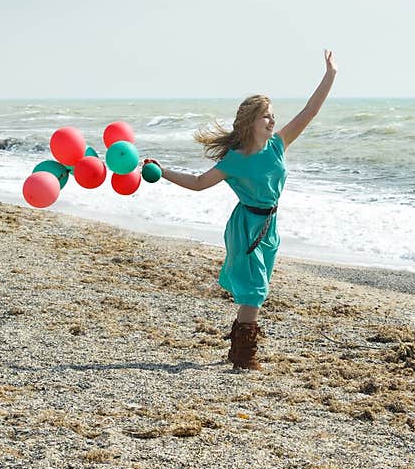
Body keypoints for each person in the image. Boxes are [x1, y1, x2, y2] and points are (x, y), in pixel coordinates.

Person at [143, 50, 338, 370]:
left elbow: (310, 110)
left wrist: (330, 74)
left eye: (273, 114)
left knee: (257, 288)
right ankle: (245, 355)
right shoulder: (234, 160)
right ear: (250, 123)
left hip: (270, 225)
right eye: (266, 116)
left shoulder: (278, 145)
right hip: (246, 226)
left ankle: (238, 350)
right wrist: (162, 171)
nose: (273, 120)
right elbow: (198, 183)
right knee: (254, 290)